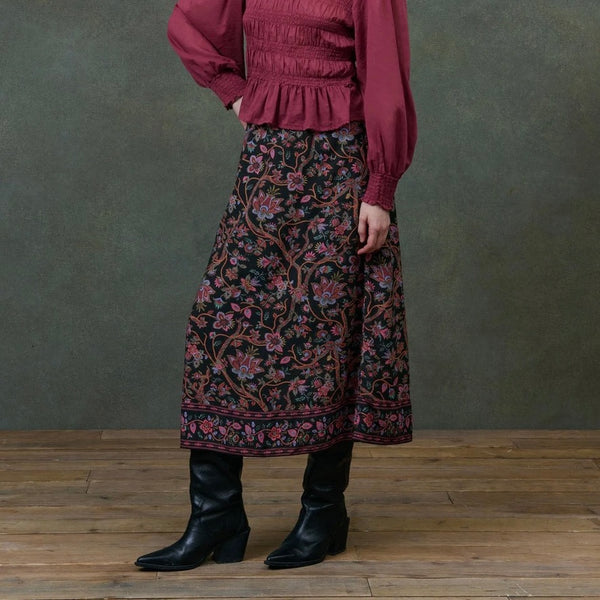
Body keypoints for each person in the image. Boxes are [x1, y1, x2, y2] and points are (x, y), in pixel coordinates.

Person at [135, 0, 417, 571]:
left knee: (332, 337)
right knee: (216, 324)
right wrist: (235, 91)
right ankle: (216, 516)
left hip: (340, 167)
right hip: (266, 161)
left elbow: (387, 76)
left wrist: (380, 190)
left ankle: (323, 513)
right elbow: (192, 24)